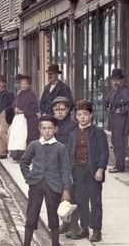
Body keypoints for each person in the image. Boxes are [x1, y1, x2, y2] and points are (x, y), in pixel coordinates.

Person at [20, 115, 72, 246]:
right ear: (39, 129)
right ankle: (26, 243)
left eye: (50, 128)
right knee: (31, 214)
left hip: (53, 186)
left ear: (56, 129)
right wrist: (29, 177)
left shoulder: (60, 148)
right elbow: (24, 163)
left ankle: (55, 243)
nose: (47, 131)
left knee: (53, 216)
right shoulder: (34, 145)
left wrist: (66, 190)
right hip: (36, 185)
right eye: (44, 128)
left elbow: (65, 170)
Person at [66, 100, 108, 243]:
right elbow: (69, 153)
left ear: (91, 115)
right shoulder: (73, 134)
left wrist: (100, 169)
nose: (82, 117)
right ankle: (84, 228)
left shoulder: (98, 132)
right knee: (81, 201)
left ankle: (96, 230)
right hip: (77, 171)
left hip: (93, 172)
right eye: (79, 114)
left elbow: (104, 153)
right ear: (75, 117)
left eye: (85, 114)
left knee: (95, 202)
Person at [52, 96, 79, 236]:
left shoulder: (73, 126)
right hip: (55, 166)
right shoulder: (52, 125)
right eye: (56, 109)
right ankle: (65, 222)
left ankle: (75, 225)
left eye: (63, 109)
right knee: (58, 195)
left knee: (72, 195)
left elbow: (75, 146)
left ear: (68, 110)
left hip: (70, 165)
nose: (60, 112)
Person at [105, 68, 129, 173]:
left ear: (121, 80)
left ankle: (120, 167)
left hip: (121, 122)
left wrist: (120, 110)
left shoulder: (124, 91)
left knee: (119, 145)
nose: (115, 81)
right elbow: (108, 102)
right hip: (114, 122)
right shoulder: (113, 90)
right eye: (114, 79)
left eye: (117, 79)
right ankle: (118, 165)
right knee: (115, 144)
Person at [9, 74, 38, 160]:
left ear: (29, 84)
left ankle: (26, 156)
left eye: (25, 83)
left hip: (28, 119)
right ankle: (17, 154)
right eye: (22, 83)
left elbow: (33, 108)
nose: (23, 85)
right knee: (17, 136)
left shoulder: (31, 95)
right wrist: (15, 109)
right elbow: (14, 104)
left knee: (26, 137)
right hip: (18, 119)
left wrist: (23, 111)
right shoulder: (19, 93)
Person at [0, 75, 15, 159]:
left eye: (1, 83)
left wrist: (5, 111)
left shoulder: (9, 93)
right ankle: (4, 148)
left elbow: (13, 104)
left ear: (4, 83)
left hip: (4, 115)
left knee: (2, 134)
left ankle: (2, 152)